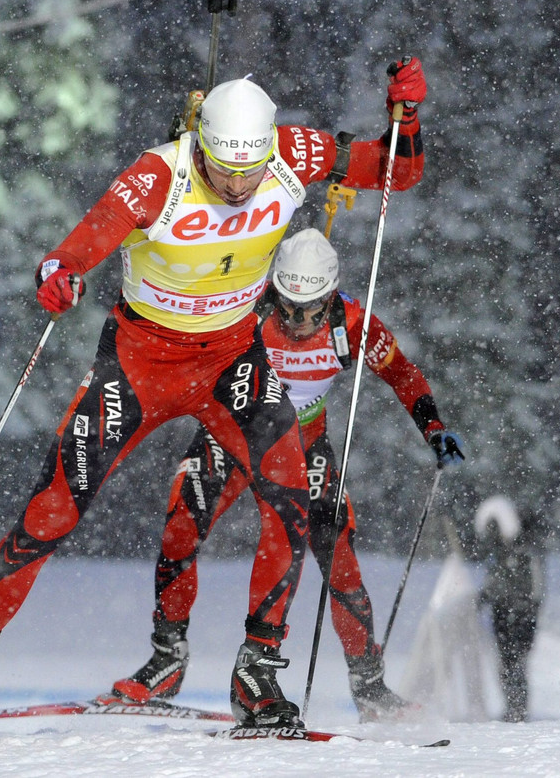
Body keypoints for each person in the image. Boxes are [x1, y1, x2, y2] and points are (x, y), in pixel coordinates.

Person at [0, 57, 429, 740]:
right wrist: (61, 272)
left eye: (249, 171)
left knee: (291, 493)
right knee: (53, 509)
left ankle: (257, 673)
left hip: (231, 360)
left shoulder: (290, 152)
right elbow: (84, 240)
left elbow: (397, 171)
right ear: (202, 145)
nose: (237, 183)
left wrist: (408, 120)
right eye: (223, 169)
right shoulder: (160, 176)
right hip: (139, 363)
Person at [110, 229, 465, 722]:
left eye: (310, 308)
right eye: (287, 305)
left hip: (303, 444)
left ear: (330, 296)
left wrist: (434, 428)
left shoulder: (352, 322)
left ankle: (369, 687)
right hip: (232, 432)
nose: (297, 320)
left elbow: (403, 373)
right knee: (180, 527)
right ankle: (167, 659)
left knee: (337, 556)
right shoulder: (249, 307)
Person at [475, 495, 545, 723]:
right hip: (505, 612)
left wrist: (529, 606)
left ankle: (518, 709)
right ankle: (514, 707)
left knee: (515, 663)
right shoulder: (505, 552)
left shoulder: (524, 551)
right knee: (508, 663)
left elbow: (534, 585)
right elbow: (495, 581)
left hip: (519, 613)